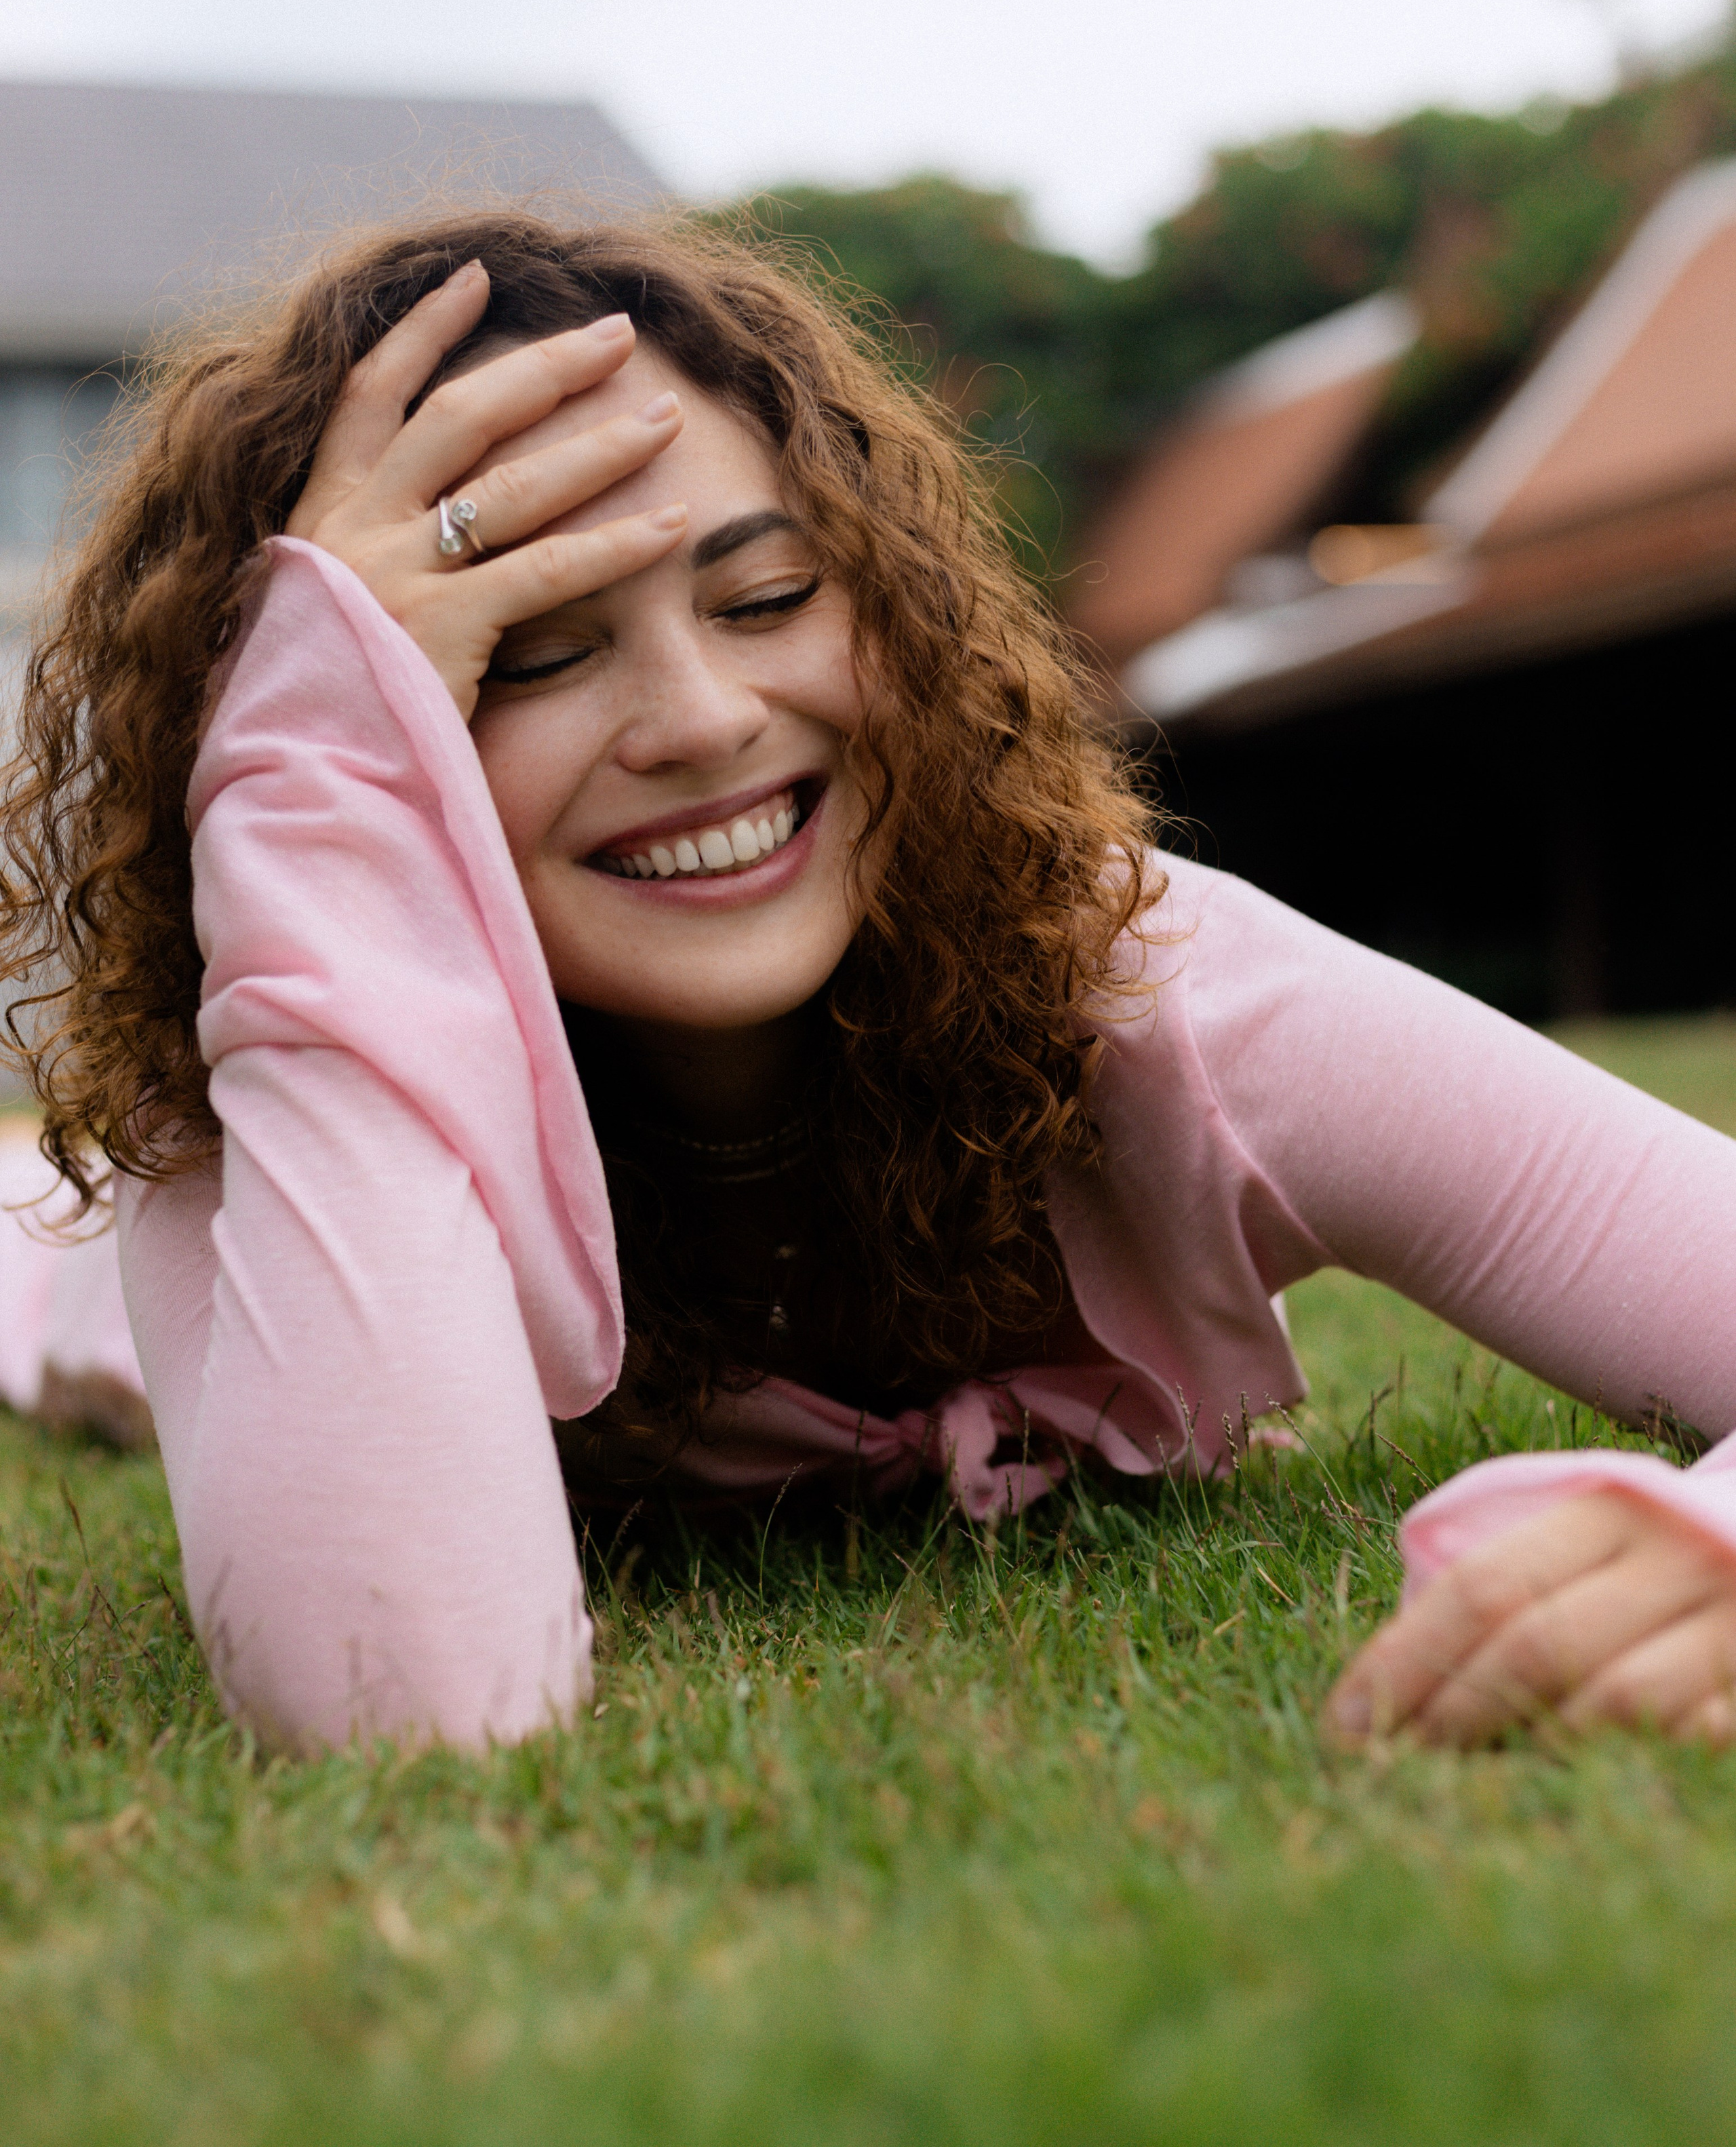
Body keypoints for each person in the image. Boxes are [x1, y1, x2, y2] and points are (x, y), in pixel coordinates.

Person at [4, 210, 1736, 1757]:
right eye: (530, 655)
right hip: (144, 1296)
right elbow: (404, 1705)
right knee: (62, 1302)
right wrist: (321, 779)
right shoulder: (274, 1072)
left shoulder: (1157, 992)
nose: (698, 723)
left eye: (763, 597)